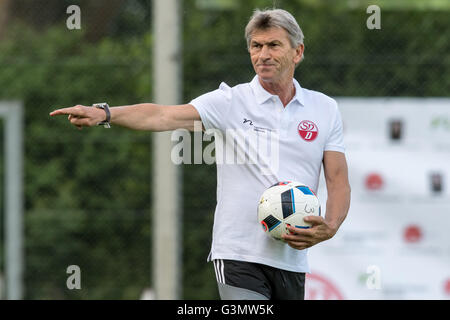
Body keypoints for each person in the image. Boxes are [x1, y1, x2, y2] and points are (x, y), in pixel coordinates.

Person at [50, 8, 351, 300]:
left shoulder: (324, 109)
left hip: (292, 260)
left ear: (297, 52)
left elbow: (337, 180)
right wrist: (105, 113)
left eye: (274, 45)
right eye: (256, 46)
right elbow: (162, 116)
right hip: (237, 254)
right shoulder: (229, 101)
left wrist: (331, 226)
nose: (263, 54)